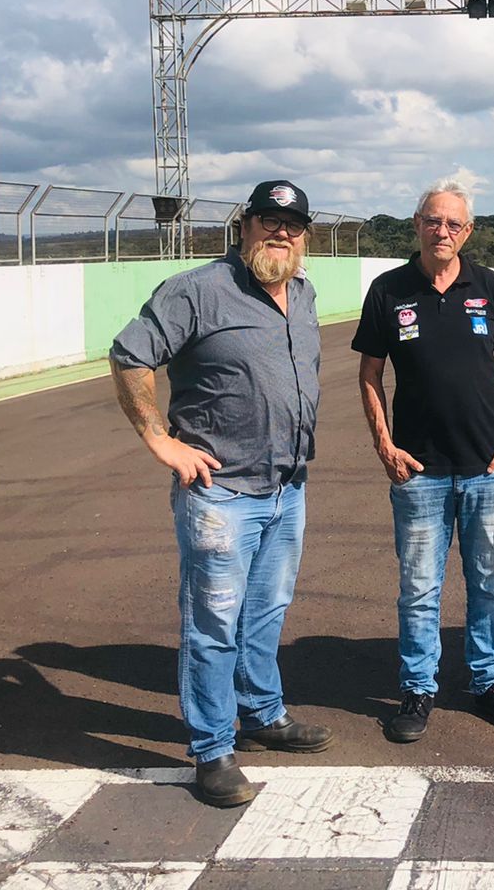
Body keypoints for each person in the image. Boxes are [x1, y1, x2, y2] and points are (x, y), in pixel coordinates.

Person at [109, 179, 330, 808]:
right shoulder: (196, 290)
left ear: (305, 234)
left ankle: (262, 713)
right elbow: (130, 356)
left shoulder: (304, 291)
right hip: (221, 493)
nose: (279, 232)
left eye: (291, 224)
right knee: (213, 626)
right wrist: (161, 440)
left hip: (287, 488)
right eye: (267, 220)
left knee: (266, 614)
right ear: (245, 226)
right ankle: (211, 749)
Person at [353, 178, 494, 743]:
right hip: (420, 471)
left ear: (468, 231)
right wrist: (384, 443)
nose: (443, 231)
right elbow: (370, 375)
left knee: (488, 583)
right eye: (434, 220)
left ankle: (487, 680)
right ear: (417, 224)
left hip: (488, 467)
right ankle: (417, 688)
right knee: (420, 588)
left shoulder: (490, 286)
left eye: (454, 223)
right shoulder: (388, 289)